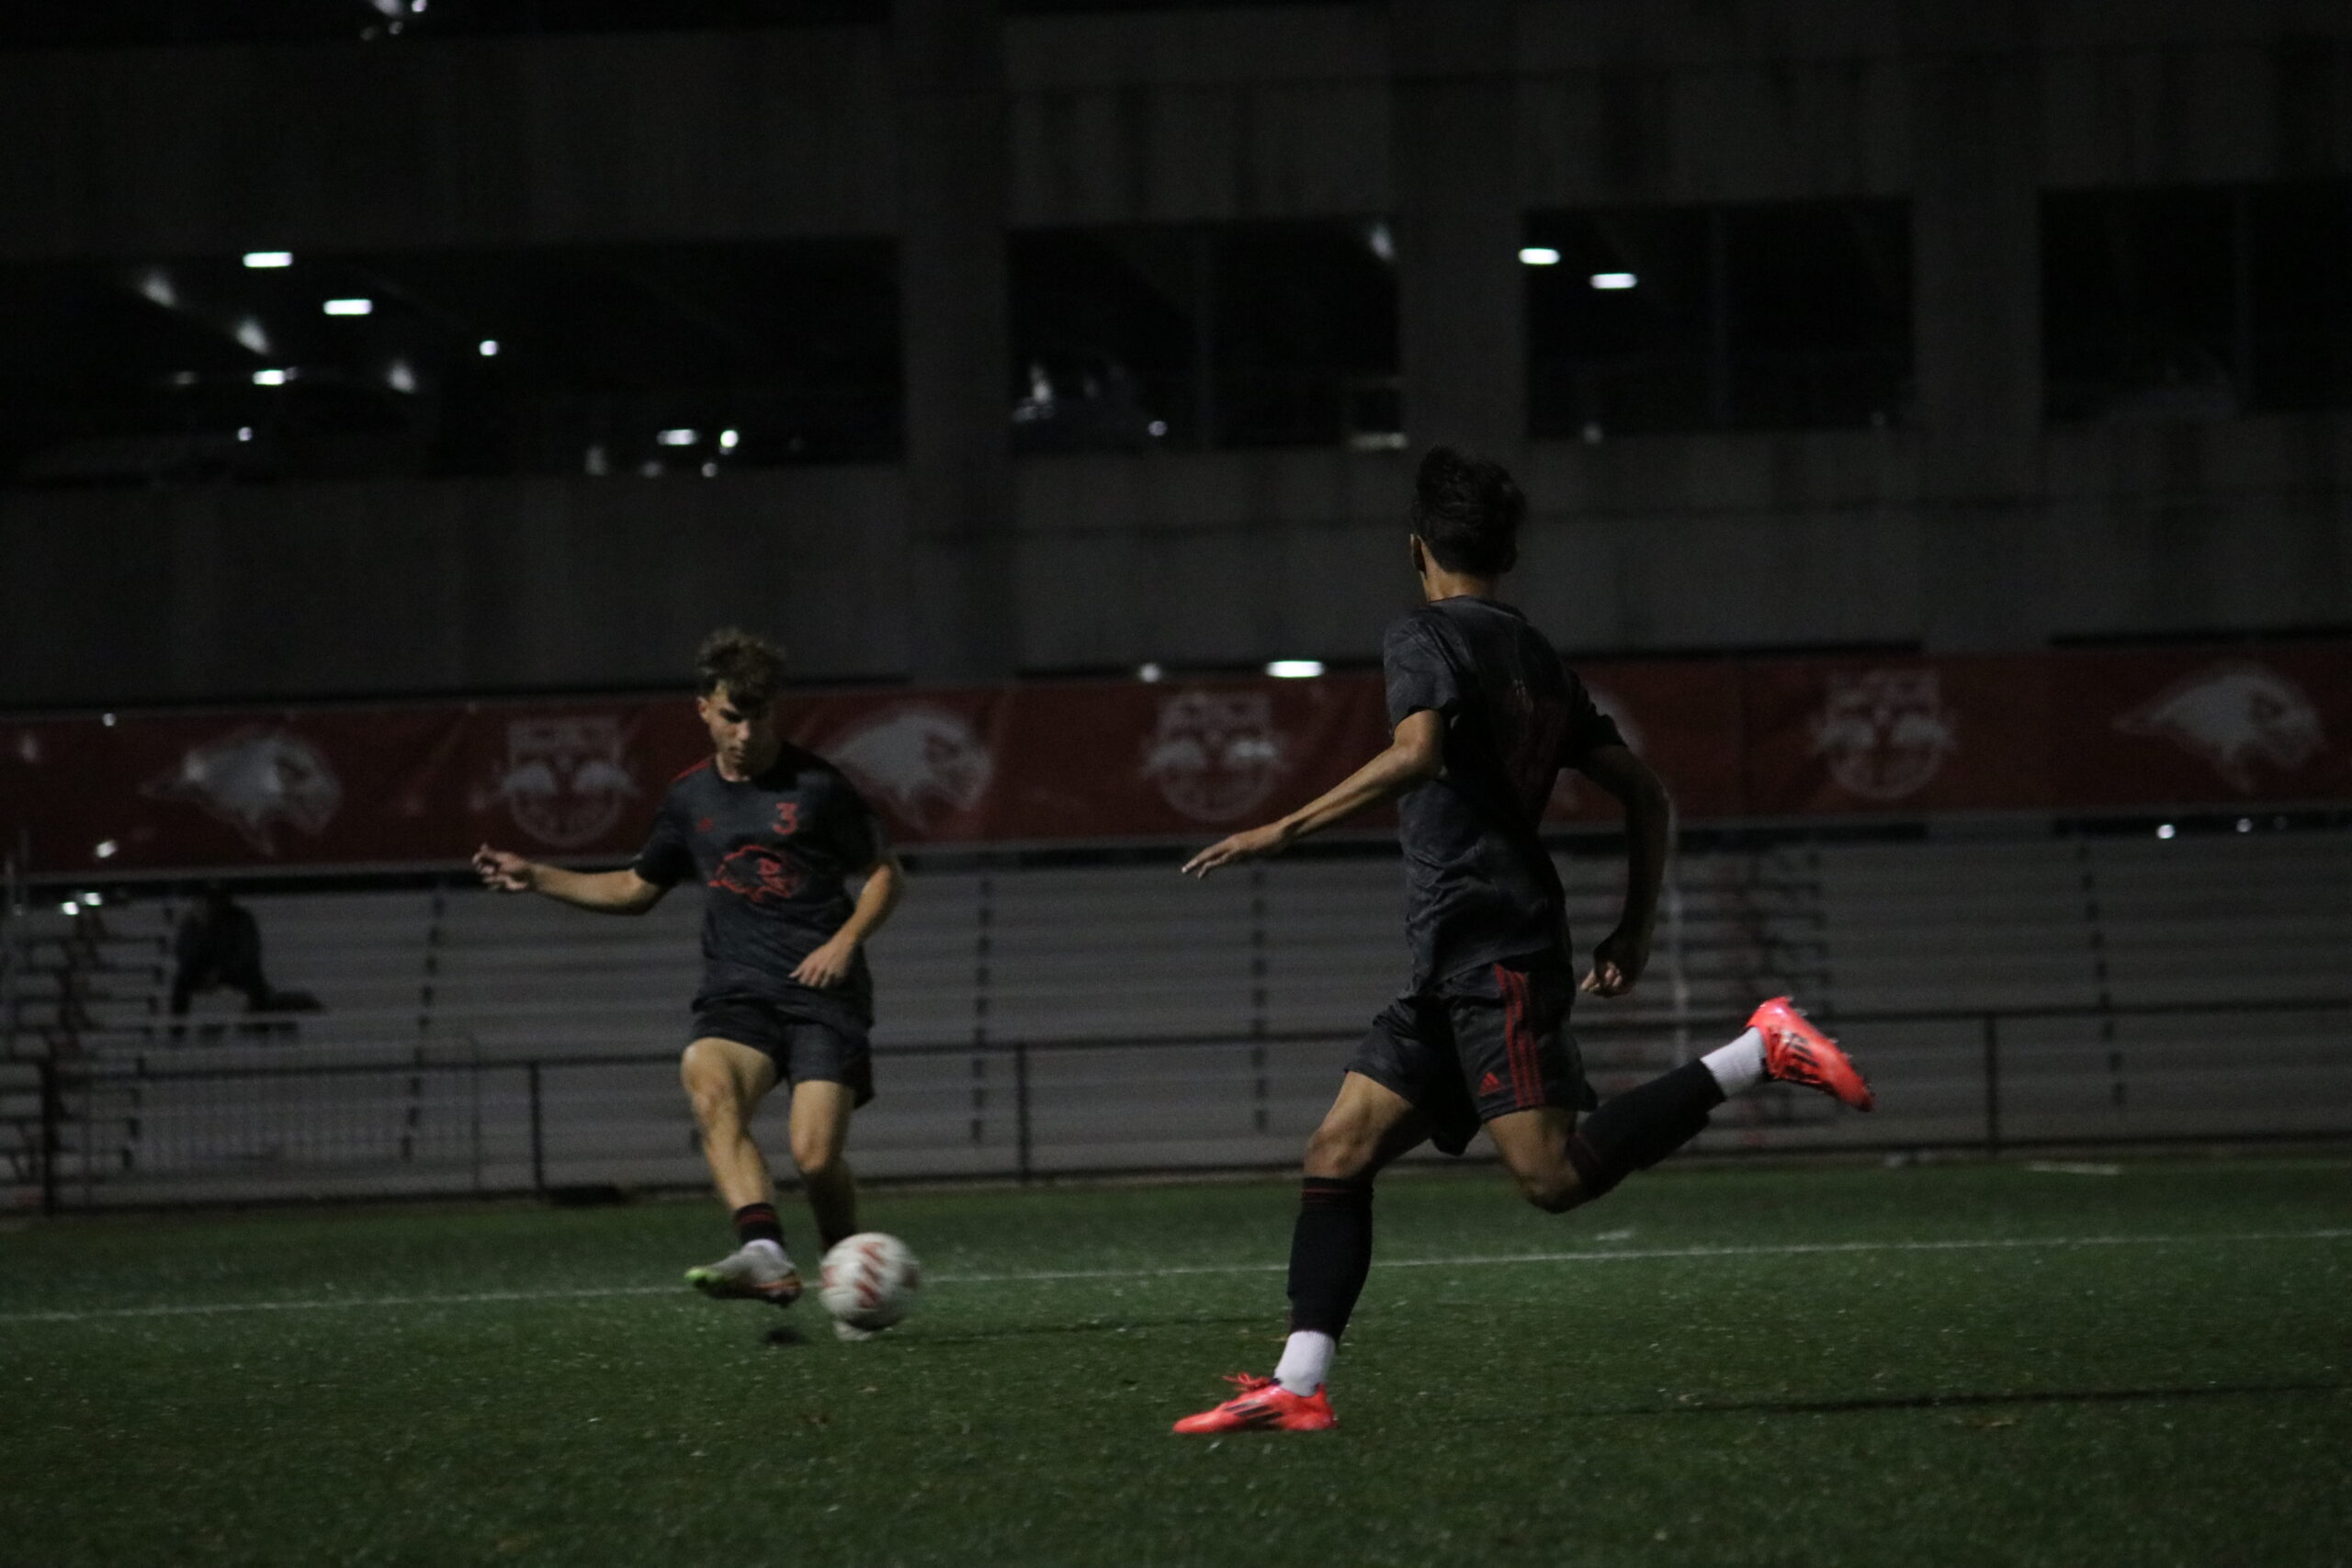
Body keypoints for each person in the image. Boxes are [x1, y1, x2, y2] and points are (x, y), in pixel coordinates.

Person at [1169, 447, 1875, 1434]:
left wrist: (1278, 828)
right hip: (1457, 955)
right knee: (1338, 1149)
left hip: (1490, 949)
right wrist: (1630, 920)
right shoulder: (1537, 657)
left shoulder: (1422, 634)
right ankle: (1297, 1382)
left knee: (1552, 1179)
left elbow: (1416, 754)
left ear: (1417, 549)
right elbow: (1645, 792)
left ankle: (1759, 1049)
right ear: (1505, 553)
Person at [473, 629, 905, 1337]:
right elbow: (637, 887)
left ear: (777, 713)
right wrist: (539, 876)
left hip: (822, 992)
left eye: (759, 716)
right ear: (703, 709)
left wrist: (845, 940)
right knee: (705, 1077)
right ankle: (763, 1250)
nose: (745, 731)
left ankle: (844, 1271)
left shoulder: (820, 787)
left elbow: (887, 874)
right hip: (737, 990)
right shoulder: (688, 798)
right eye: (732, 715)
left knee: (816, 1156)